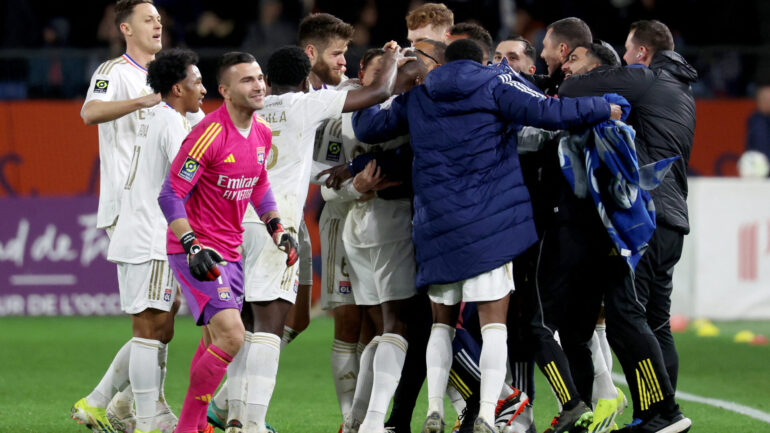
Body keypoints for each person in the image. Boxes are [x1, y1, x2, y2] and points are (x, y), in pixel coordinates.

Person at [351, 39, 620, 433]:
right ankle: (488, 413)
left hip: (436, 227)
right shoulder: (496, 84)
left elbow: (366, 125)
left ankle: (435, 411)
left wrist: (386, 72)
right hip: (489, 226)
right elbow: (550, 112)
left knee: (442, 324)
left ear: (441, 62)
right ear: (482, 60)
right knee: (496, 324)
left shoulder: (419, 96)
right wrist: (603, 106)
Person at [216, 43, 400, 433]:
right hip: (273, 224)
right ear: (304, 80)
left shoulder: (250, 108)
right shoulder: (304, 104)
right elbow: (378, 93)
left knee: (244, 323)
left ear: (266, 80)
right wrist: (394, 59)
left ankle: (233, 415)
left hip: (232, 222)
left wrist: (327, 171)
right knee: (269, 324)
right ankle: (251, 423)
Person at [558, 19, 697, 433]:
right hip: (672, 219)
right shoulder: (683, 90)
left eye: (626, 50)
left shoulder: (649, 80)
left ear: (640, 53)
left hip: (645, 220)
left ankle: (663, 413)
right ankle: (654, 416)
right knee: (655, 320)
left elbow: (573, 90)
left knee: (625, 315)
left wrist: (586, 66)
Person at [70, 2, 195, 432]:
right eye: (148, 18)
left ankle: (117, 402)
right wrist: (144, 100)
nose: (158, 23)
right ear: (126, 28)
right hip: (133, 207)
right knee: (151, 317)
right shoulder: (113, 71)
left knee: (165, 315)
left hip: (164, 207)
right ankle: (142, 411)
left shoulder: (171, 75)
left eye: (161, 17)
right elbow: (89, 112)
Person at [157, 51, 296, 433]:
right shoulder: (209, 134)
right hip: (199, 251)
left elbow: (259, 183)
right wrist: (191, 244)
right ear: (226, 91)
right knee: (234, 335)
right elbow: (170, 194)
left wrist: (275, 225)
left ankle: (198, 423)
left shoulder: (263, 133)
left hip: (231, 250)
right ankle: (188, 426)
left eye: (260, 78)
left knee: (213, 341)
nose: (259, 86)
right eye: (247, 81)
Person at [101, 48, 206, 433]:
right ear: (178, 88)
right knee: (149, 332)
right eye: (196, 82)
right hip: (150, 236)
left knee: (157, 329)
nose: (203, 89)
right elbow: (188, 182)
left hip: (138, 233)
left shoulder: (157, 117)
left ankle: (137, 411)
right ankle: (146, 420)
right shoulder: (172, 124)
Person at [298, 12, 355, 90]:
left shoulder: (342, 85)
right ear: (311, 52)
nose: (343, 62)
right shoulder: (289, 92)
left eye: (343, 53)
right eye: (336, 54)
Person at [746, 84, 770, 165]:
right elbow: (763, 148)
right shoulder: (758, 122)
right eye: (767, 100)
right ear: (760, 102)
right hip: (762, 167)